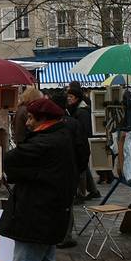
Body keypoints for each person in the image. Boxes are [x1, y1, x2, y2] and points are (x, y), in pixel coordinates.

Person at [0, 98, 76, 261]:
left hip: (36, 218)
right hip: (50, 217)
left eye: (31, 118)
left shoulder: (45, 143)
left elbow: (11, 159)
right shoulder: (62, 137)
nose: (27, 123)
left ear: (44, 120)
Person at [51, 92, 90, 249]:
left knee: (55, 202)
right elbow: (83, 148)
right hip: (69, 169)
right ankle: (65, 236)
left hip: (53, 170)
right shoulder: (72, 123)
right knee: (67, 203)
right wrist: (79, 168)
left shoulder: (50, 123)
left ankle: (56, 234)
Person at [67, 86, 101, 200]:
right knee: (84, 167)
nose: (69, 99)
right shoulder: (77, 109)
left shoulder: (81, 112)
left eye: (71, 97)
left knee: (81, 167)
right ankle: (93, 190)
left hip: (82, 142)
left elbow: (84, 129)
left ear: (76, 98)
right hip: (81, 142)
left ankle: (81, 194)